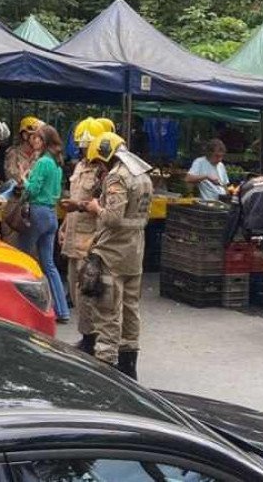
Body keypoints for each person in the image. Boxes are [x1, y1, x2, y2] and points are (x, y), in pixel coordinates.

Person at [82, 133, 153, 380]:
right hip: (135, 252)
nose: (99, 168)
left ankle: (106, 371)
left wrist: (95, 208)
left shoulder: (117, 176)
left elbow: (112, 218)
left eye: (99, 162)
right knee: (131, 309)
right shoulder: (142, 174)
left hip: (113, 254)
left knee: (107, 311)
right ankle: (129, 368)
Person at [60, 133, 110, 354]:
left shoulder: (103, 172)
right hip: (73, 237)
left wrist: (78, 206)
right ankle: (85, 335)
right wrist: (64, 226)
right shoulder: (80, 166)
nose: (82, 151)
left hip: (89, 239)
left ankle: (91, 339)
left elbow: (102, 206)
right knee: (74, 289)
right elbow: (74, 197)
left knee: (86, 292)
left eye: (85, 147)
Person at [18, 124, 70, 324]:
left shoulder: (42, 162)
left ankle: (23, 304)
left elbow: (32, 190)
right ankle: (62, 310)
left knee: (22, 258)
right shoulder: (57, 163)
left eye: (38, 138)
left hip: (37, 212)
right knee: (49, 264)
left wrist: (24, 179)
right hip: (51, 214)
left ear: (46, 141)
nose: (34, 141)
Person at [5, 116, 41, 185]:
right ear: (25, 135)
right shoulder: (13, 154)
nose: (38, 140)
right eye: (35, 136)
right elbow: (14, 180)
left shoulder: (39, 154)